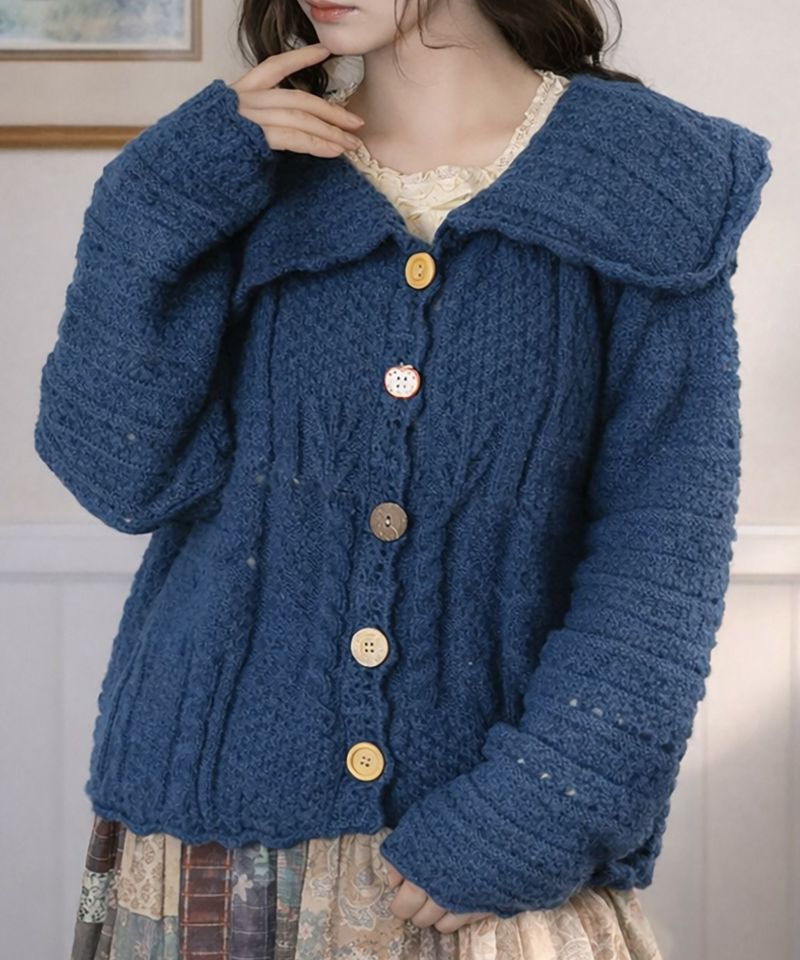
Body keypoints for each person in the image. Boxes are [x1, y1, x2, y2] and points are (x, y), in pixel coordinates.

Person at [34, 1, 773, 958]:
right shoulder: (238, 171)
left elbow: (665, 545)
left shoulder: (647, 182)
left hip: (492, 849)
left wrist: (548, 805)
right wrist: (156, 198)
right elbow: (122, 477)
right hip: (212, 848)